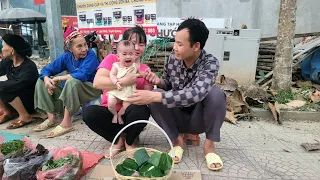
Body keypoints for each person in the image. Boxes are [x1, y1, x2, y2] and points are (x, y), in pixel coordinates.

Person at [127, 18, 227, 171]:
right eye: (175, 42)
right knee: (156, 93)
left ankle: (209, 146)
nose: (175, 47)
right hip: (176, 116)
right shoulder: (172, 59)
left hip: (198, 118)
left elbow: (196, 93)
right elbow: (168, 84)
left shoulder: (210, 63)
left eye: (180, 44)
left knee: (216, 94)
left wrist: (155, 96)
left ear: (196, 46)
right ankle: (177, 141)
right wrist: (158, 81)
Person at [83, 25, 152, 159]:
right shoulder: (111, 60)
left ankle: (130, 141)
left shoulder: (144, 69)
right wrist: (124, 81)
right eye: (133, 43)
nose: (137, 48)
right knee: (89, 113)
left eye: (141, 44)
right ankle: (119, 139)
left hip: (129, 112)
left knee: (142, 110)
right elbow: (97, 82)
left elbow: (147, 97)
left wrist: (151, 82)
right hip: (110, 111)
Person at [33, 31, 102, 138]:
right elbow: (47, 69)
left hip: (91, 89)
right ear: (70, 49)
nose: (84, 49)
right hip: (73, 89)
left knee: (71, 81)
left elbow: (82, 75)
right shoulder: (67, 57)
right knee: (41, 80)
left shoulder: (91, 55)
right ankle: (51, 118)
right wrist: (47, 80)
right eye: (79, 46)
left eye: (85, 44)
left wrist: (59, 78)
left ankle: (67, 123)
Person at [0, 34, 38, 129]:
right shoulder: (8, 61)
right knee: (5, 88)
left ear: (12, 50)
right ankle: (7, 112)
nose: (2, 49)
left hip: (30, 102)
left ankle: (25, 116)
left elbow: (17, 84)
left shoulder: (29, 67)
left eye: (3, 46)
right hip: (15, 99)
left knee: (6, 88)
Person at [108, 40, 142, 124]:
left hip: (129, 91)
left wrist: (145, 74)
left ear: (135, 54)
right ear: (118, 56)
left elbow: (140, 74)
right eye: (124, 54)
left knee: (127, 106)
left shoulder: (135, 66)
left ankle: (119, 115)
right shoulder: (116, 65)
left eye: (131, 54)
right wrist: (116, 82)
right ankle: (114, 114)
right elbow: (111, 75)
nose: (128, 57)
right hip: (117, 89)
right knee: (111, 103)